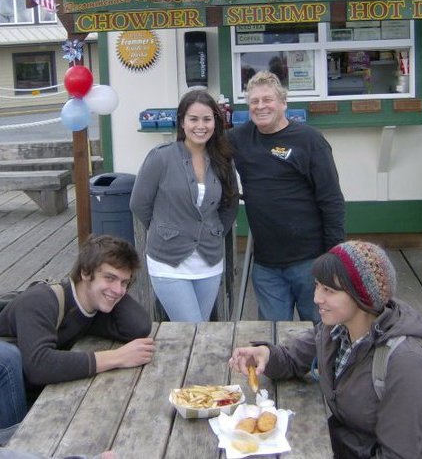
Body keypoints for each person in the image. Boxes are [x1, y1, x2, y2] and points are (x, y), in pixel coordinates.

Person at [230, 240, 422, 458]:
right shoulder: (335, 331)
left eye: (329, 290)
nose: (317, 298)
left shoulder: (405, 362)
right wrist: (266, 355)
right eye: (317, 285)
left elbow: (398, 453)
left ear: (363, 297)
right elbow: (292, 359)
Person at [0, 234, 153, 445]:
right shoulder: (42, 301)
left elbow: (138, 326)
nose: (119, 289)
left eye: (125, 282)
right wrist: (116, 357)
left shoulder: (93, 307)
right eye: (109, 277)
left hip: (37, 391)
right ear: (85, 272)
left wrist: (111, 291)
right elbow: (38, 366)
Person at [227, 70, 345, 322]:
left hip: (309, 261)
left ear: (283, 103)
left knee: (319, 333)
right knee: (273, 338)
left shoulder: (310, 140)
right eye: (254, 102)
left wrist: (333, 256)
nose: (261, 106)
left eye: (267, 100)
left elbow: (332, 200)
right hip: (266, 263)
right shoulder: (239, 139)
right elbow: (202, 143)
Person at [130, 88, 239, 322]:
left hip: (209, 261)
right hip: (169, 262)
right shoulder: (160, 157)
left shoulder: (223, 160)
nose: (201, 125)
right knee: (193, 329)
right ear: (182, 122)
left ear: (215, 123)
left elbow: (230, 205)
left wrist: (216, 231)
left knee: (199, 332)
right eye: (193, 119)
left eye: (207, 119)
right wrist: (166, 229)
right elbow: (139, 203)